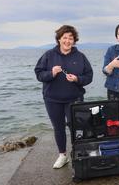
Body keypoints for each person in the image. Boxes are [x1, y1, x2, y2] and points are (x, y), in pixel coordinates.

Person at [34, 25, 93, 169]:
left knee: (77, 127)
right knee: (58, 128)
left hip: (74, 99)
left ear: (74, 40)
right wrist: (51, 73)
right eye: (64, 37)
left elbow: (89, 76)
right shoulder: (48, 55)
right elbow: (38, 74)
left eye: (70, 38)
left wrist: (77, 79)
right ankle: (62, 155)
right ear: (59, 39)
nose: (67, 41)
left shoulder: (80, 57)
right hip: (52, 99)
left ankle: (78, 153)